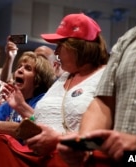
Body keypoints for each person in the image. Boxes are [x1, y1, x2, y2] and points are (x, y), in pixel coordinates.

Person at [11, 13, 109, 156]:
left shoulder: (104, 77)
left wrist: (58, 140)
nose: (56, 52)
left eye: (60, 46)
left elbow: (100, 140)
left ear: (78, 48)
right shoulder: (64, 77)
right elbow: (42, 117)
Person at [57, 22, 136, 164]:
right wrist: (84, 145)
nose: (56, 52)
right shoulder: (130, 38)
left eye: (61, 45)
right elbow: (103, 102)